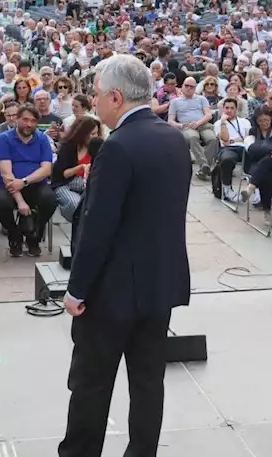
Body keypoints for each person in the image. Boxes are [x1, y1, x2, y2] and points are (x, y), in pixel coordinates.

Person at [59, 54, 191, 457]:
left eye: (97, 95)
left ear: (116, 97)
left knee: (91, 385)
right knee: (148, 383)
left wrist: (76, 290)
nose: (94, 103)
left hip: (113, 293)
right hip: (160, 285)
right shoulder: (173, 137)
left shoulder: (117, 148)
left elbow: (97, 228)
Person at [0, 103, 58, 257]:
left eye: (33, 121)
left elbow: (46, 169)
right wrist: (20, 201)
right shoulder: (3, 139)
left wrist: (25, 181)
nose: (29, 124)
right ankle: (14, 234)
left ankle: (34, 234)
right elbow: (7, 174)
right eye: (25, 119)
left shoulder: (42, 139)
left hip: (35, 184)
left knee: (50, 200)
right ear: (17, 119)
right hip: (9, 185)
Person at [51, 116, 100, 222]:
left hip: (88, 184)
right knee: (76, 205)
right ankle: (80, 228)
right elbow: (64, 174)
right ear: (83, 134)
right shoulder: (68, 148)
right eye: (92, 134)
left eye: (96, 133)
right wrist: (81, 167)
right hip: (65, 183)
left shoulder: (97, 147)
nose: (95, 137)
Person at [168, 76, 215, 177]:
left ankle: (204, 169)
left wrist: (198, 123)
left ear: (195, 88)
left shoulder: (201, 99)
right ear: (182, 86)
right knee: (193, 137)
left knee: (213, 139)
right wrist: (181, 125)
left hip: (202, 124)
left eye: (192, 86)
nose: (189, 88)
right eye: (186, 86)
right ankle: (204, 165)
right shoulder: (175, 102)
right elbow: (170, 121)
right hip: (187, 125)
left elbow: (208, 115)